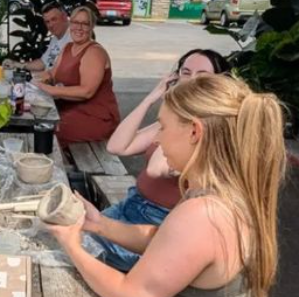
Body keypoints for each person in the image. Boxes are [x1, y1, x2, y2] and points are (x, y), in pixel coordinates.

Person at [46, 74, 286, 297]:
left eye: (162, 127)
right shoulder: (220, 194)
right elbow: (163, 241)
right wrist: (100, 225)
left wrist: (73, 245)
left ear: (195, 132)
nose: (157, 139)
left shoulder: (205, 213)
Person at [98, 49, 230, 270]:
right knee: (68, 231)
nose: (192, 80)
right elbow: (117, 146)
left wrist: (180, 116)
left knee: (76, 243)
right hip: (131, 205)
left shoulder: (209, 129)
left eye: (202, 75)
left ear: (220, 82)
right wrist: (152, 97)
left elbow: (156, 168)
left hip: (157, 225)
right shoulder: (173, 120)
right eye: (186, 72)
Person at [34, 5, 120, 144]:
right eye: (75, 22)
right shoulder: (68, 48)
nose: (79, 28)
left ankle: (57, 164)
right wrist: (34, 80)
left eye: (85, 24)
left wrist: (52, 90)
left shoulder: (94, 52)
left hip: (94, 116)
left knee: (46, 132)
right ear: (70, 23)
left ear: (92, 27)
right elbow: (51, 74)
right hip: (69, 111)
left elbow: (86, 91)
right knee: (38, 125)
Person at [6, 2, 72, 72]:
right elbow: (43, 63)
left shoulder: (75, 37)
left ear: (64, 17)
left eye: (54, 19)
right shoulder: (55, 39)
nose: (51, 25)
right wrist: (16, 64)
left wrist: (48, 78)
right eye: (47, 22)